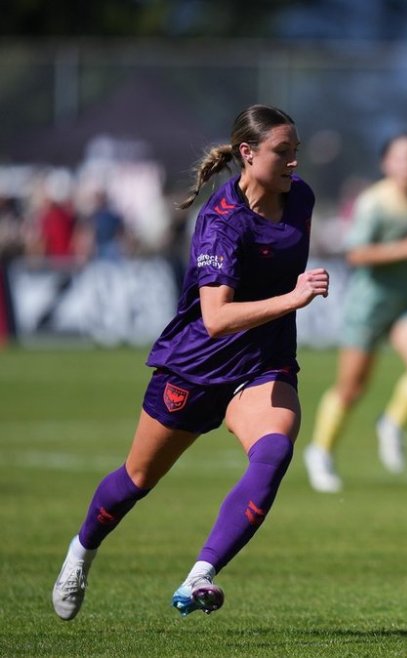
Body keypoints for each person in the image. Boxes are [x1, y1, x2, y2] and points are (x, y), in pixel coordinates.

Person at [51, 104, 330, 620]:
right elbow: (217, 318)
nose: (294, 163)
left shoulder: (302, 199)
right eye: (282, 153)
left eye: (296, 153)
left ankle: (200, 574)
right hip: (196, 368)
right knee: (136, 479)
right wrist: (292, 299)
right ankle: (80, 552)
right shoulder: (220, 223)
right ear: (247, 154)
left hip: (262, 364)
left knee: (273, 453)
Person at [304, 133, 407, 493]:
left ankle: (390, 424)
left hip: (406, 304)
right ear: (387, 164)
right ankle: (320, 452)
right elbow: (356, 253)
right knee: (351, 388)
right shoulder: (374, 202)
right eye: (403, 157)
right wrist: (406, 248)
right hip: (369, 306)